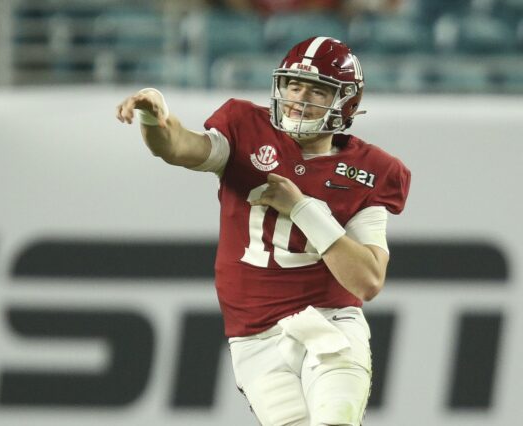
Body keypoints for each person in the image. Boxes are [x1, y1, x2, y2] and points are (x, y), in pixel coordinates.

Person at [116, 36, 410, 426]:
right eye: (294, 84)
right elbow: (179, 147)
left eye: (317, 89)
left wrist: (302, 208)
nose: (299, 98)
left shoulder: (371, 169)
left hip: (331, 325)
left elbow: (368, 280)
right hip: (255, 337)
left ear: (346, 103)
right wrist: (154, 118)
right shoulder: (244, 128)